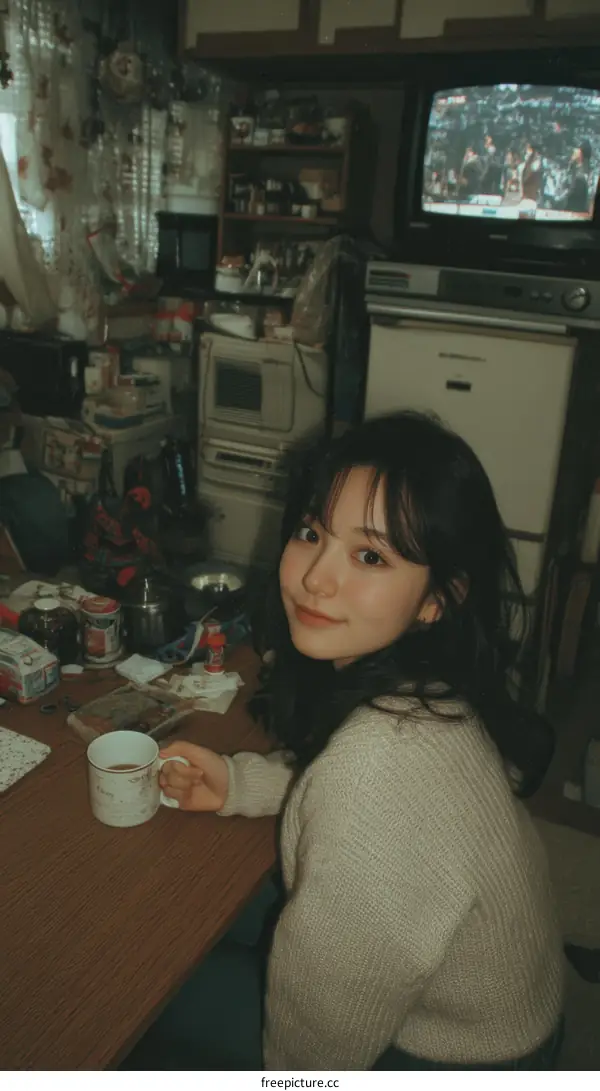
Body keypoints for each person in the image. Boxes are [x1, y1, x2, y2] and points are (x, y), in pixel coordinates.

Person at [126, 412, 564, 1072]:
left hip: (456, 1056)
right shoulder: (432, 687)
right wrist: (243, 782)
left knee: (145, 994)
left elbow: (322, 1016)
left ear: (436, 599)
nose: (314, 578)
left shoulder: (379, 769)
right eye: (312, 532)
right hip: (507, 1007)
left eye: (370, 556)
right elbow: (362, 798)